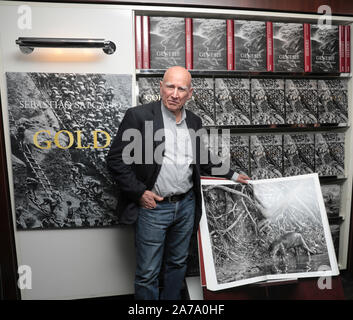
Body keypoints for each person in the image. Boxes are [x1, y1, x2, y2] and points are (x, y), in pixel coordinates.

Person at [106, 66, 250, 300]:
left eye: (181, 88)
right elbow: (115, 160)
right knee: (148, 272)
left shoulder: (194, 121)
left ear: (189, 93)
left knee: (177, 264)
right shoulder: (139, 116)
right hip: (153, 208)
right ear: (160, 87)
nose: (174, 93)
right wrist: (140, 192)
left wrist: (233, 175)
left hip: (185, 206)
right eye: (170, 86)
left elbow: (202, 158)